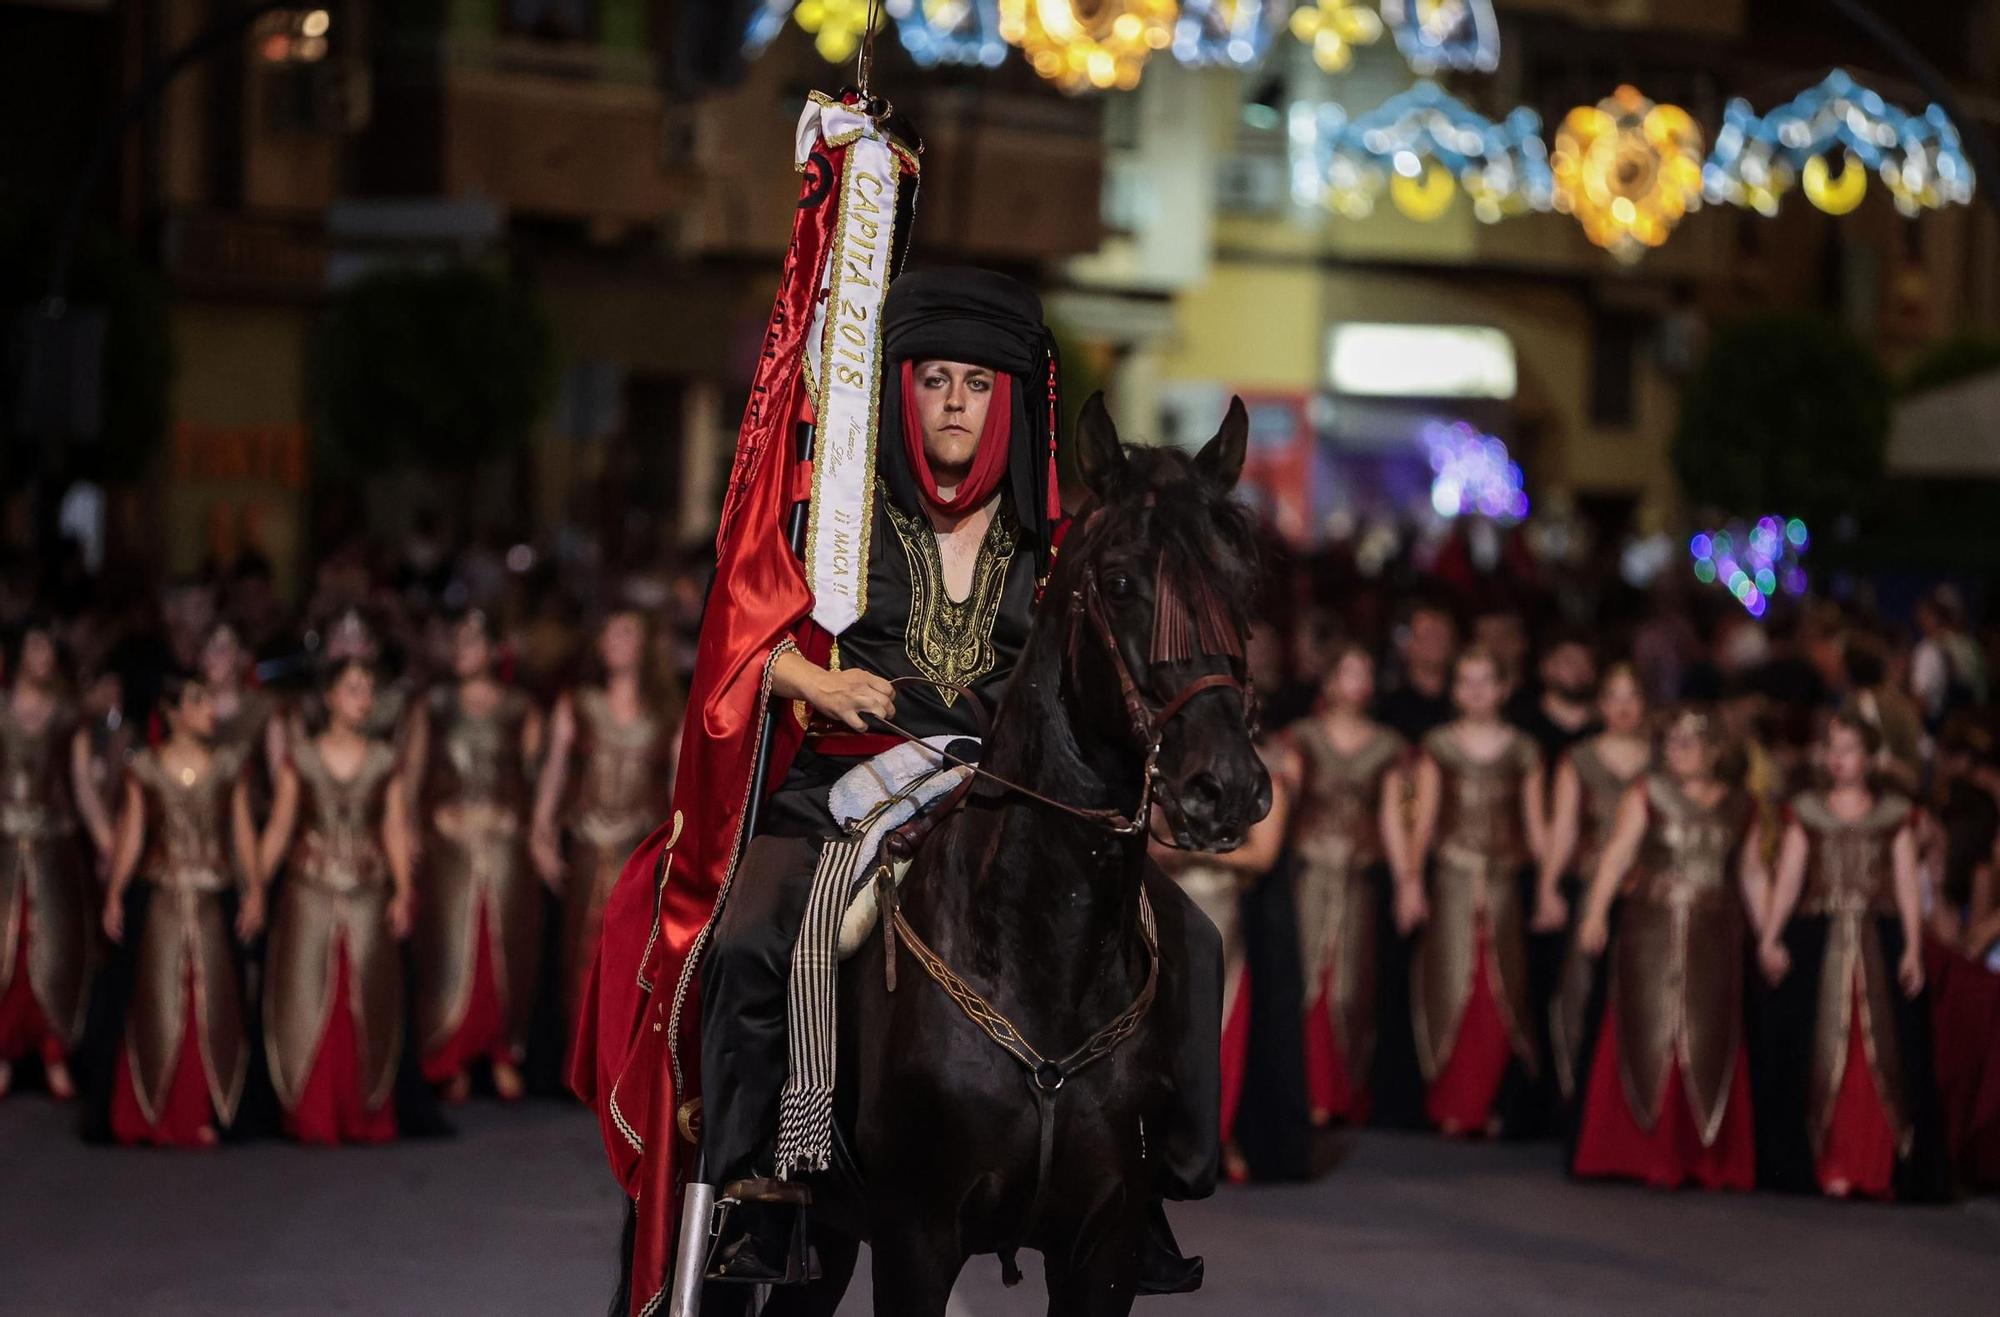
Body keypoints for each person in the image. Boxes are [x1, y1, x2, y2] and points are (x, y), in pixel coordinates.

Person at [695, 269, 1218, 1293]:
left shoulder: (1049, 544)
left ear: (1006, 403)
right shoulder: (840, 521)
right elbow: (735, 642)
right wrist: (818, 679)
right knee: (752, 932)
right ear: (902, 393)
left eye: (975, 385)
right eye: (933, 380)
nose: (951, 404)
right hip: (842, 783)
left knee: (1189, 934)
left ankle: (1150, 1189)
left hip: (1000, 788)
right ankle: (763, 1195)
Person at [1572, 706, 1764, 1191]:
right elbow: (1617, 853)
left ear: (1715, 750)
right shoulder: (1647, 795)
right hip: (1651, 928)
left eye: (1690, 741)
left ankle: (1701, 1155)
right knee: (1645, 1021)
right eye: (1672, 741)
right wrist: (1595, 912)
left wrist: (1770, 934)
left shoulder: (1742, 806)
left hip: (1714, 931)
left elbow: (1751, 873)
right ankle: (1634, 1151)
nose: (1679, 750)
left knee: (1707, 1028)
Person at [1757, 710, 1946, 1199]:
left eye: (1848, 749)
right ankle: (1825, 1161)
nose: (1837, 759)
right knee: (1815, 1046)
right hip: (1817, 939)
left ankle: (1877, 1162)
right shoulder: (1805, 810)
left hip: (1877, 941)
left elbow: (1906, 882)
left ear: (1870, 757)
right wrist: (1771, 935)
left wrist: (1912, 947)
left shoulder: (1895, 813)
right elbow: (1790, 879)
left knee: (1882, 1052)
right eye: (1831, 748)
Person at [257, 659, 416, 1144]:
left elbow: (393, 826)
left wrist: (405, 888)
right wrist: (255, 888)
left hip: (367, 891)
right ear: (329, 696)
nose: (362, 699)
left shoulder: (385, 758)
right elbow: (281, 828)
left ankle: (361, 1111)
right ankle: (313, 1113)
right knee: (306, 995)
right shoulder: (302, 758)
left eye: (368, 690)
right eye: (352, 689)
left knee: (365, 994)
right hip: (310, 890)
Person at [99, 670, 260, 1147]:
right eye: (198, 700)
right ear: (172, 712)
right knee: (157, 999)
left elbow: (242, 832)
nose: (210, 708)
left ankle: (208, 1107)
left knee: (212, 1001)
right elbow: (132, 833)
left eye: (210, 699)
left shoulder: (229, 765)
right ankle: (151, 1111)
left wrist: (255, 889)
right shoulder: (146, 768)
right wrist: (115, 891)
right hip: (162, 897)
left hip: (214, 896)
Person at [1404, 645, 1547, 1136]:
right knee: (1450, 980)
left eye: (1486, 680)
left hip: (1506, 882)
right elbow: (1421, 823)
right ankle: (1452, 1104)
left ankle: (1491, 1104)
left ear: (1504, 688)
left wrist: (1549, 888)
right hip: (1451, 877)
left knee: (1500, 985)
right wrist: (1409, 884)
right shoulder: (1438, 744)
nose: (1476, 690)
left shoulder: (1524, 749)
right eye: (1466, 680)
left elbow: (1536, 828)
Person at [406, 610, 544, 1103]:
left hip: (503, 841)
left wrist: (530, 828)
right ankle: (451, 1054)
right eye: (456, 640)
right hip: (450, 841)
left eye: (471, 641)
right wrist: (411, 827)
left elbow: (535, 779)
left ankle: (503, 1050)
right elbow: (412, 773)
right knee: (448, 945)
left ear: (492, 650)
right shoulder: (436, 706)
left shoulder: (518, 707)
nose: (461, 649)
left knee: (503, 942)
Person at [529, 608, 679, 1049]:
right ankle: (579, 1058)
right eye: (609, 631)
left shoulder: (666, 716)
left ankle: (620, 1059)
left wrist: (676, 859)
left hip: (639, 855)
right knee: (577, 952)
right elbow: (554, 775)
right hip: (585, 846)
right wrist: (539, 834)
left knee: (630, 958)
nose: (616, 640)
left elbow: (676, 795)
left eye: (627, 631)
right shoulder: (576, 704)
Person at [1278, 642, 1411, 1126]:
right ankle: (1302, 1091)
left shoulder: (1388, 746)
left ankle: (1341, 1094)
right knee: (1307, 980)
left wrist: (1409, 882)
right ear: (1329, 681)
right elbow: (1284, 806)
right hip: (1307, 875)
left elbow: (1393, 819)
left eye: (1366, 671)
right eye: (1350, 670)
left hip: (1360, 880)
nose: (1359, 680)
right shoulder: (1303, 738)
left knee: (1353, 985)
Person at [1151, 740, 1290, 1181]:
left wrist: (1190, 851)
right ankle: (1167, 1140)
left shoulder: (1259, 781)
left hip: (1225, 917)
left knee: (1221, 1025)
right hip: (1173, 910)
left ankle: (1217, 1137)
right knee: (1168, 1024)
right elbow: (1151, 840)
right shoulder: (1168, 776)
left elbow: (1263, 856)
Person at [1535, 661, 1651, 1102]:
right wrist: (1548, 886)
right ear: (1601, 704)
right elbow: (1562, 827)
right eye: (1614, 697)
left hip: (1646, 891)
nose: (1623, 708)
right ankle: (1578, 1097)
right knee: (1579, 989)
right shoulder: (1579, 760)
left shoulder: (1663, 759)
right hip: (1590, 884)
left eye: (1632, 697)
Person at [0, 625, 95, 1100]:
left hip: (53, 845)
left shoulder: (66, 716)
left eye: (49, 647)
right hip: (2, 845)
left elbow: (81, 783)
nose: (43, 656)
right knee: (5, 947)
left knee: (52, 946)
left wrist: (108, 840)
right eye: (34, 646)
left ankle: (53, 1048)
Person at [1509, 627, 1601, 762]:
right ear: (1546, 667)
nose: (1579, 668)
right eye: (1569, 661)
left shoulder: (1605, 722)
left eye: (1586, 661)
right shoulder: (1521, 720)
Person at [1373, 601, 1456, 743]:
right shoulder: (1388, 707)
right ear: (1407, 645)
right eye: (1427, 636)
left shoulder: (1464, 701)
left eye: (1441, 636)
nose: (1435, 643)